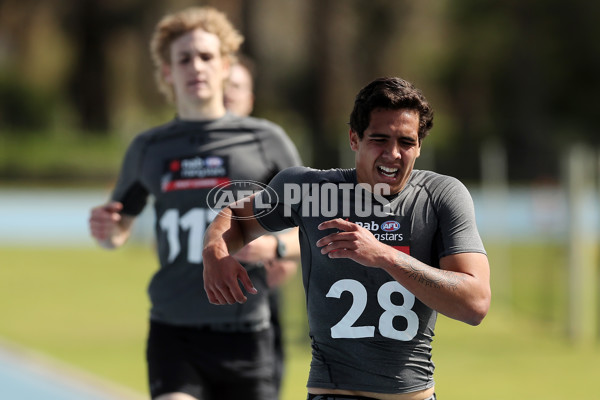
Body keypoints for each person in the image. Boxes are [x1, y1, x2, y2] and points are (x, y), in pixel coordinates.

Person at [202, 77, 491, 400]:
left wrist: (385, 256)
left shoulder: (440, 196)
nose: (393, 154)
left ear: (420, 145)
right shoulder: (313, 191)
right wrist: (214, 249)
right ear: (354, 138)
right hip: (335, 392)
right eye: (379, 139)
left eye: (406, 142)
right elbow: (236, 215)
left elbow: (475, 303)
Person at [88, 6, 302, 400]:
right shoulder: (148, 147)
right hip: (174, 333)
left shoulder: (266, 140)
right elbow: (117, 229)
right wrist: (106, 231)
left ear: (225, 66)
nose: (196, 67)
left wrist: (277, 247)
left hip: (247, 334)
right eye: (183, 58)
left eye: (206, 57)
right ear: (167, 72)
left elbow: (314, 224)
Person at [223, 56, 297, 396]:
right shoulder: (183, 148)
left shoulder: (270, 145)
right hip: (192, 301)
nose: (227, 93)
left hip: (257, 293)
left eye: (236, 86)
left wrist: (283, 250)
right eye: (222, 84)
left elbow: (306, 217)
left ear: (250, 97)